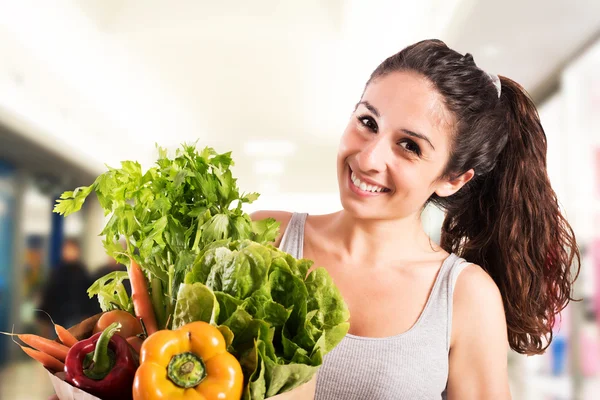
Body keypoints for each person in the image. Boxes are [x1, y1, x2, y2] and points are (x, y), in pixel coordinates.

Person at [251, 39, 580, 399]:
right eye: (367, 121)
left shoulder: (464, 296)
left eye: (410, 146)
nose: (369, 158)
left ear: (452, 179)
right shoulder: (265, 239)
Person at [39, 238, 96, 329]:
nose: (70, 253)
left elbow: (89, 296)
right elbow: (49, 294)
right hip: (58, 316)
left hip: (77, 316)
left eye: (73, 250)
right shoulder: (57, 271)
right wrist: (43, 316)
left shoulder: (82, 272)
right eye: (68, 250)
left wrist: (87, 314)